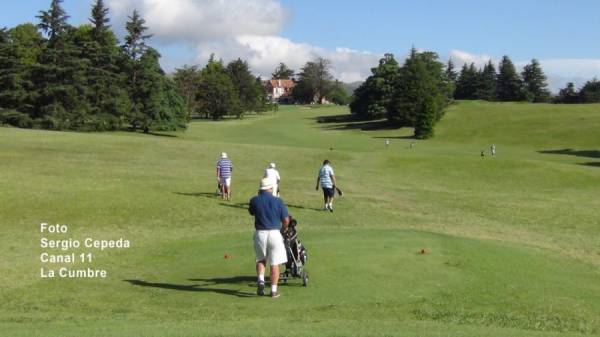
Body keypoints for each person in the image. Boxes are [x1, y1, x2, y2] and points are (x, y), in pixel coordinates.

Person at [249, 178, 290, 298]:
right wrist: (283, 229)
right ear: (271, 188)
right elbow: (286, 220)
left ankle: (261, 281)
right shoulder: (278, 201)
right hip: (274, 233)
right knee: (274, 263)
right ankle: (273, 291)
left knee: (260, 259)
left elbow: (252, 212)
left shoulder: (254, 200)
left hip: (260, 233)